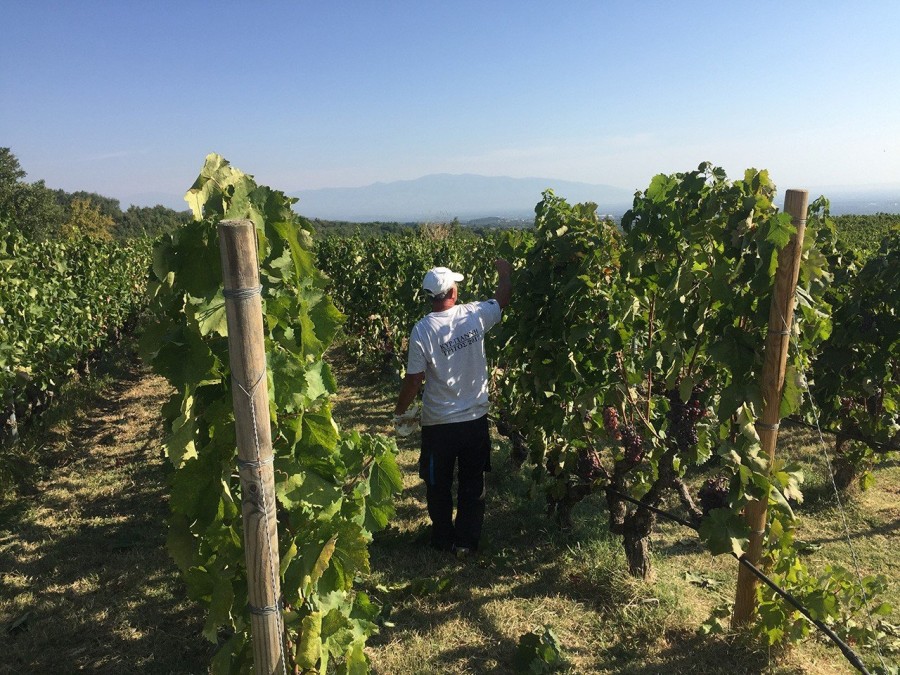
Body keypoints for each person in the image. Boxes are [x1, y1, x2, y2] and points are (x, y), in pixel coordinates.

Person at [393, 260, 512, 556]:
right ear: (453, 292)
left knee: (438, 484)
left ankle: (442, 538)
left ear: (429, 296)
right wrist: (505, 273)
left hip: (438, 424)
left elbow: (414, 379)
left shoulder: (421, 331)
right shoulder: (474, 315)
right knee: (473, 483)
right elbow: (502, 300)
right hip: (474, 419)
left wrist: (400, 411)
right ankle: (466, 543)